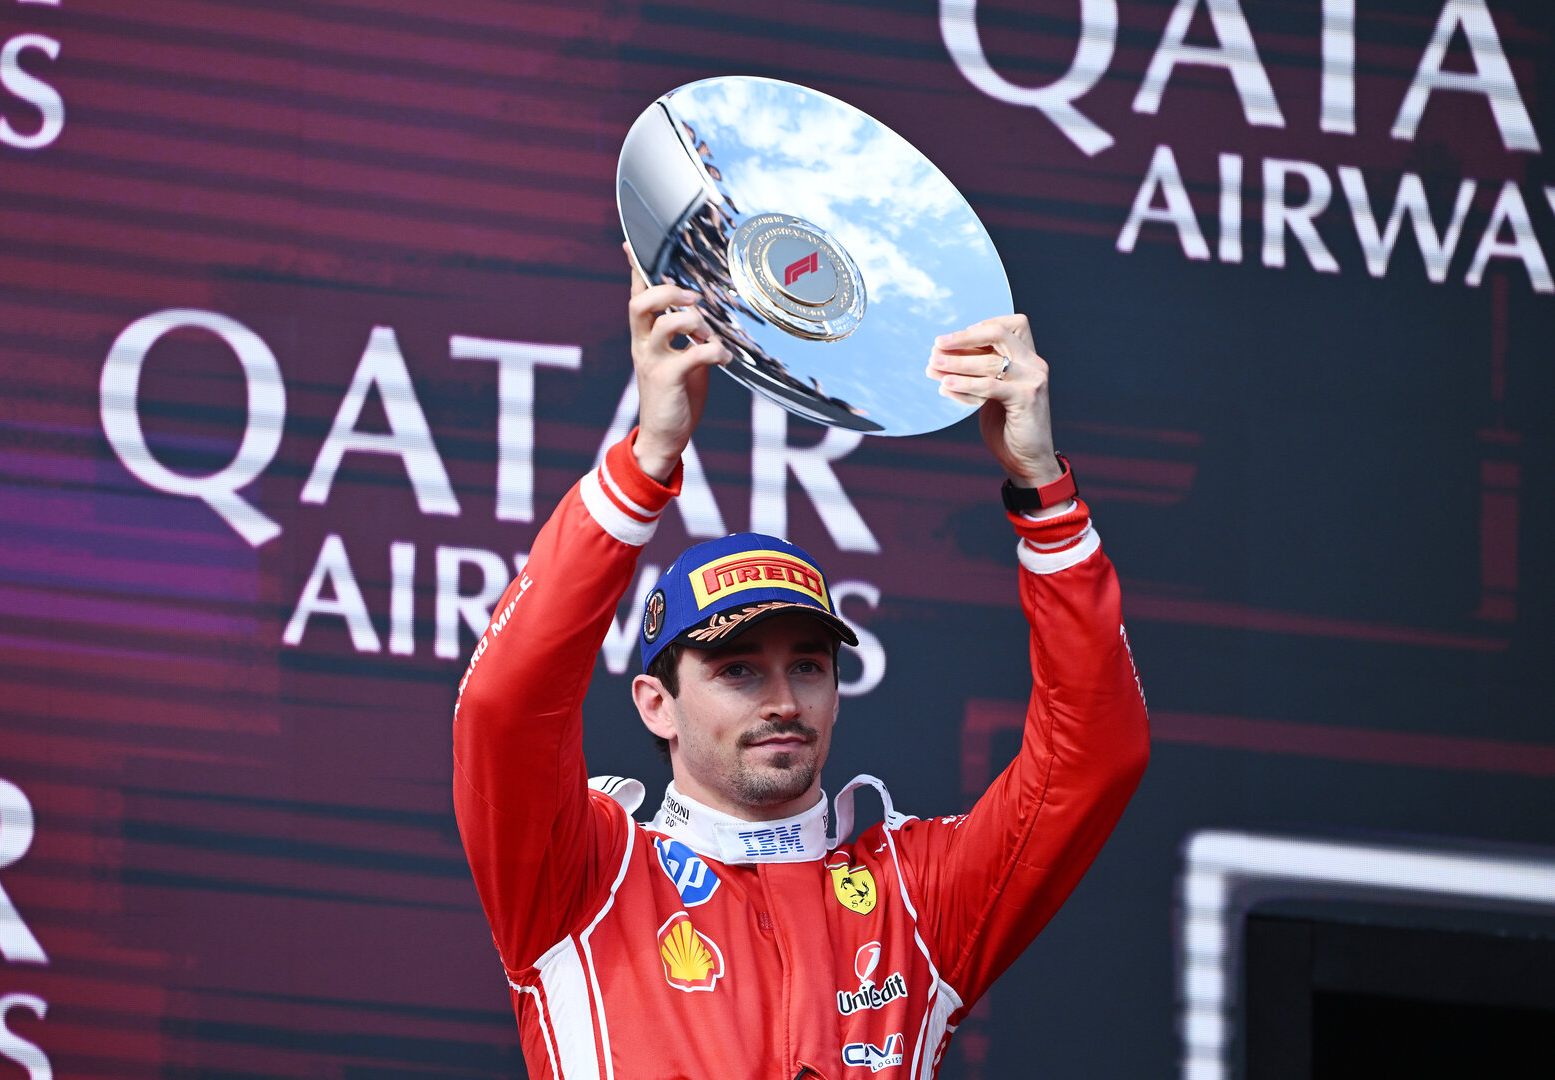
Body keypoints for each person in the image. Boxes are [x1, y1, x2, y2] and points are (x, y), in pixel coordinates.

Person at [452, 251, 1150, 1080]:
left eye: (809, 667)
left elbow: (1093, 757)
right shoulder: (582, 875)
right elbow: (505, 704)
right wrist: (648, 461)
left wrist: (1043, 495)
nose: (784, 699)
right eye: (738, 670)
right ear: (655, 704)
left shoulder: (919, 893)